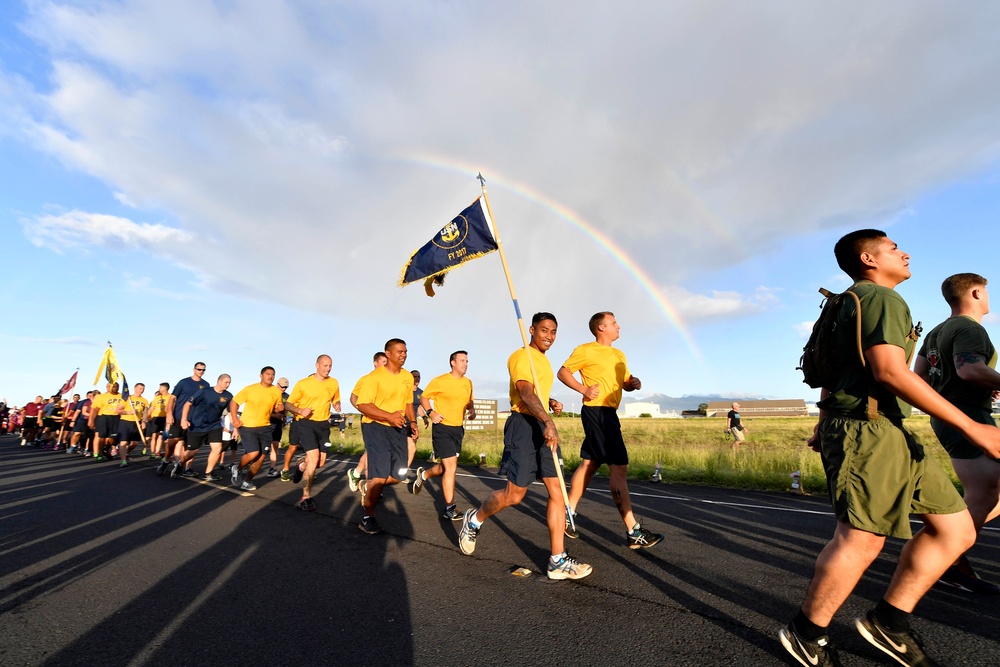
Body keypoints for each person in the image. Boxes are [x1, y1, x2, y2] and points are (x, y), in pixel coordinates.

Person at [779, 230, 1000, 667]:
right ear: (869, 258)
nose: (906, 252)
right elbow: (890, 372)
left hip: (887, 429)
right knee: (860, 540)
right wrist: (973, 428)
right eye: (895, 248)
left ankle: (889, 621)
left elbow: (830, 368)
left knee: (956, 530)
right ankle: (806, 633)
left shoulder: (843, 301)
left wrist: (823, 421)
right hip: (870, 430)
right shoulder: (882, 299)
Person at [458, 313, 592, 581]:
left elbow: (536, 391)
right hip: (523, 426)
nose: (549, 336)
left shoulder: (542, 361)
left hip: (541, 424)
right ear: (531, 330)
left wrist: (549, 401)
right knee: (515, 495)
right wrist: (548, 420)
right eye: (544, 330)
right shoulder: (521, 355)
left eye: (554, 332)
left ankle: (557, 560)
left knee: (557, 491)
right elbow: (524, 391)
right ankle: (474, 519)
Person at [914, 273, 1000, 595]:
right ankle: (948, 556)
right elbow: (968, 369)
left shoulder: (937, 332)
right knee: (984, 493)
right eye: (988, 292)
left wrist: (985, 385)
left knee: (989, 492)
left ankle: (947, 544)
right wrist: (978, 381)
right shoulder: (970, 328)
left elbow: (919, 377)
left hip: (952, 416)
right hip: (967, 418)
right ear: (977, 292)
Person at [557, 311, 663, 549]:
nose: (618, 326)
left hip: (609, 414)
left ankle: (567, 514)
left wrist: (633, 383)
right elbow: (563, 372)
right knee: (619, 467)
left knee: (590, 463)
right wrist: (583, 390)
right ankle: (633, 531)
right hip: (597, 412)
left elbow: (624, 382)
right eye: (614, 323)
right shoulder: (585, 350)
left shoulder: (619, 354)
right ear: (601, 328)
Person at [354, 339, 417, 534]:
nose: (403, 354)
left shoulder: (407, 377)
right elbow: (363, 405)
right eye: (399, 351)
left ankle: (368, 485)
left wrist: (412, 422)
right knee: (380, 477)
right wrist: (388, 416)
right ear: (388, 354)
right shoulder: (373, 378)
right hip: (376, 427)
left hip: (398, 427)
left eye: (405, 351)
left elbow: (408, 403)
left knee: (399, 475)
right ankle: (367, 518)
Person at [411, 351, 476, 521]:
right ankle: (450, 508)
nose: (465, 364)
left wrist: (472, 410)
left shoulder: (468, 383)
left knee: (446, 467)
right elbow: (424, 397)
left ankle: (423, 475)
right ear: (453, 363)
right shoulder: (440, 380)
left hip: (457, 429)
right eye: (462, 360)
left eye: (467, 361)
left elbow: (469, 400)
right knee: (451, 467)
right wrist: (431, 413)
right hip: (442, 428)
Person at [285, 355, 341, 511]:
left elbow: (335, 399)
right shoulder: (303, 384)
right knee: (314, 457)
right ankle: (306, 497)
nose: (328, 368)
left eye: (330, 365)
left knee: (320, 463)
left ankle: (301, 465)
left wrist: (337, 405)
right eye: (325, 365)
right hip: (306, 423)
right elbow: (288, 404)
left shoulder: (334, 382)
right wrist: (300, 410)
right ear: (317, 365)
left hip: (323, 425)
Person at [229, 367, 286, 491]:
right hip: (248, 426)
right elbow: (234, 402)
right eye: (267, 374)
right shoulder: (250, 389)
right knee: (253, 453)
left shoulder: (276, 392)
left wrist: (280, 409)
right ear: (261, 375)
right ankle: (237, 469)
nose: (270, 376)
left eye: (272, 374)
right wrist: (235, 419)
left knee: (261, 457)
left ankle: (247, 481)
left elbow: (275, 409)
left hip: (265, 427)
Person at [345, 351, 387, 492]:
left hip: (385, 421)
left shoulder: (389, 380)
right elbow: (353, 397)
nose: (386, 365)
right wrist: (365, 410)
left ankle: (357, 474)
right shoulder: (366, 379)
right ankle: (370, 486)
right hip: (370, 421)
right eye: (383, 362)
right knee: (373, 452)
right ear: (375, 363)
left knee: (375, 452)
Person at [179, 374, 233, 480]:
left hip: (214, 425)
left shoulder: (228, 396)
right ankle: (180, 464)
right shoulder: (205, 391)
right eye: (226, 382)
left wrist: (235, 428)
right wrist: (184, 419)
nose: (228, 385)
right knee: (193, 451)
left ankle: (208, 473)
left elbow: (231, 413)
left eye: (230, 383)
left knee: (217, 448)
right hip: (197, 425)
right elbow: (187, 404)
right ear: (219, 381)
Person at [159, 363, 209, 475]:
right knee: (172, 442)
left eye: (203, 370)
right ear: (194, 369)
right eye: (199, 369)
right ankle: (166, 460)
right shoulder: (184, 382)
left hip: (194, 420)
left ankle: (187, 468)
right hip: (178, 416)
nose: (201, 371)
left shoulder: (206, 385)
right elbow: (172, 398)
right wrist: (169, 414)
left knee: (191, 446)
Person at [116, 383, 149, 467]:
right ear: (135, 388)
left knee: (135, 442)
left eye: (143, 389)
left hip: (137, 422)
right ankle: (123, 460)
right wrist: (129, 412)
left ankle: (126, 452)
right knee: (124, 441)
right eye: (140, 388)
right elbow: (118, 411)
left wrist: (144, 421)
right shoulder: (127, 398)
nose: (141, 390)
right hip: (125, 421)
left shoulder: (145, 400)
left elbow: (145, 412)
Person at [88, 382, 122, 461]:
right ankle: (100, 453)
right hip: (103, 417)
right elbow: (94, 409)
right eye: (112, 386)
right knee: (102, 437)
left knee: (112, 438)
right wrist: (91, 420)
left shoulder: (121, 396)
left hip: (116, 418)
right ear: (107, 387)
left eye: (116, 386)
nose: (115, 388)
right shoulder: (101, 396)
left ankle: (106, 449)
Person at [268, 377, 290, 477]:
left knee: (275, 446)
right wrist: (274, 415)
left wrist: (284, 416)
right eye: (282, 386)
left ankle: (272, 468)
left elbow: (286, 408)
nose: (284, 389)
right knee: (261, 447)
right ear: (277, 384)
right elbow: (263, 409)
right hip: (266, 422)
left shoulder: (287, 396)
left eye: (286, 387)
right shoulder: (270, 392)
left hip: (277, 424)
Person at [145, 383, 170, 459]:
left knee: (163, 437)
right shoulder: (157, 398)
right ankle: (152, 453)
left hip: (165, 418)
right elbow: (151, 408)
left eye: (160, 387)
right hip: (156, 418)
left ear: (165, 388)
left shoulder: (171, 397)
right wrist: (146, 417)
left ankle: (160, 452)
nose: (159, 389)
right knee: (154, 436)